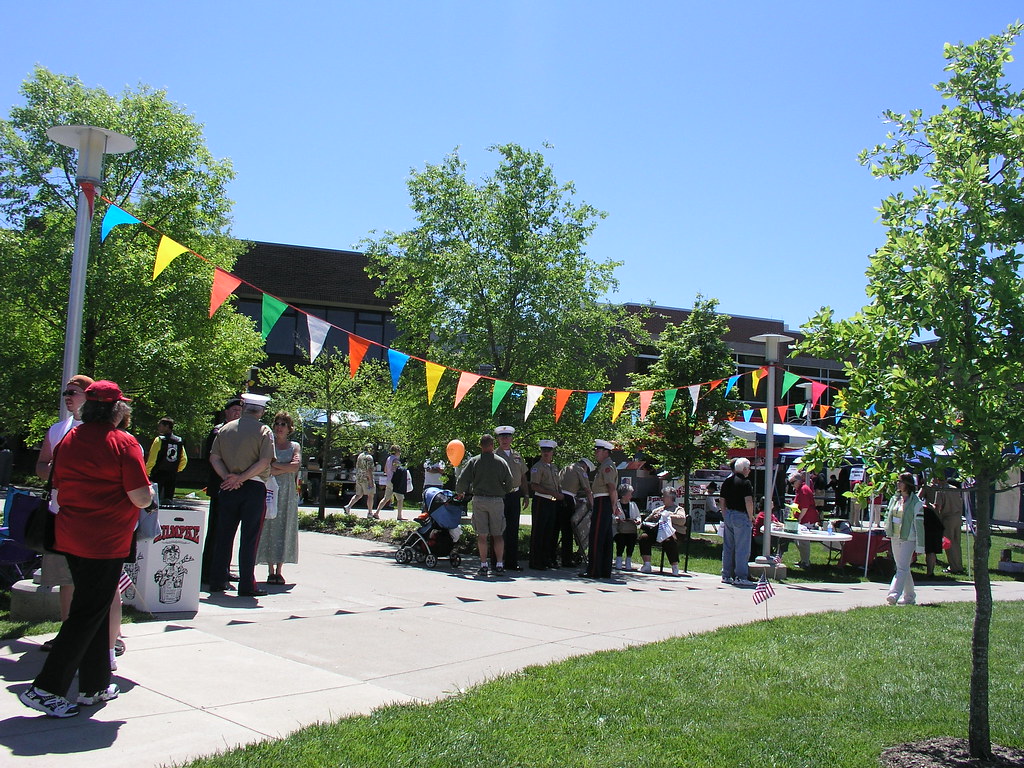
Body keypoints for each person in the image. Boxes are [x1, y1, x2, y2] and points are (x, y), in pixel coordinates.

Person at [19, 380, 154, 718]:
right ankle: (45, 688)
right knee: (86, 614)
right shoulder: (124, 443)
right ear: (116, 409)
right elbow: (140, 495)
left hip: (70, 536)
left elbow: (59, 481)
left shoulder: (68, 439)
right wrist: (150, 500)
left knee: (89, 609)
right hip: (105, 541)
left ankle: (94, 685)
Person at [208, 393, 275, 598]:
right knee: (250, 537)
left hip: (228, 486)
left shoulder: (225, 429)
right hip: (253, 486)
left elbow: (214, 457)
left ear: (244, 407)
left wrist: (229, 478)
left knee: (224, 535)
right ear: (261, 411)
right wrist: (242, 477)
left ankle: (218, 580)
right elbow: (264, 462)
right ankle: (247, 584)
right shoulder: (264, 430)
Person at [455, 434, 516, 578]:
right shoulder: (501, 462)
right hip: (496, 501)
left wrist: (460, 492)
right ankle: (499, 565)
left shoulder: (474, 461)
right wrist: (504, 490)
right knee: (498, 534)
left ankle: (483, 565)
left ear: (481, 446)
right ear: (492, 445)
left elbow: (462, 480)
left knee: (482, 535)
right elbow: (510, 483)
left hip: (479, 500)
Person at [201, 396, 242, 585]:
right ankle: (209, 570)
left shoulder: (241, 432)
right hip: (220, 486)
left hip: (234, 487)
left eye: (240, 411)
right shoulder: (218, 431)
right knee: (217, 530)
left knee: (229, 531)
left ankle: (224, 567)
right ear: (226, 412)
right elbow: (213, 458)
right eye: (234, 410)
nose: (237, 413)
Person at [257, 411, 301, 586]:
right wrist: (283, 467)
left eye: (283, 424)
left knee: (284, 525)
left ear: (289, 428)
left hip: (287, 493)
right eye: (277, 423)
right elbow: (265, 468)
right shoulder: (268, 443)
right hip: (269, 490)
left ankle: (279, 570)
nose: (279, 427)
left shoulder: (294, 446)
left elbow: (296, 466)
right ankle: (269, 570)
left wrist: (275, 465)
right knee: (268, 524)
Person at [884, 472, 925, 605]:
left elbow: (919, 526)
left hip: (909, 538)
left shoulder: (916, 503)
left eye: (900, 481)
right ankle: (909, 597)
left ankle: (893, 594)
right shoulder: (895, 499)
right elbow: (888, 514)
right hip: (895, 536)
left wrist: (920, 546)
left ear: (908, 484)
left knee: (901, 568)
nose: (898, 484)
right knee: (903, 567)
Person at [581, 439, 618, 579]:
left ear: (606, 452)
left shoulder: (607, 466)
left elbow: (611, 488)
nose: (596, 453)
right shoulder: (605, 465)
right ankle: (603, 570)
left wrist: (614, 506)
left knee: (596, 536)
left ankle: (594, 570)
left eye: (598, 451)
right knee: (605, 537)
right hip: (603, 501)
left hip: (603, 501)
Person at [494, 426, 530, 570]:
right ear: (498, 439)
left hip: (515, 495)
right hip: (500, 495)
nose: (505, 440)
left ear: (511, 439)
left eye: (507, 437)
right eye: (502, 437)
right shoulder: (494, 455)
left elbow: (522, 476)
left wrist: (526, 494)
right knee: (499, 529)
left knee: (513, 528)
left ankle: (511, 562)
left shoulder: (517, 455)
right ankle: (498, 561)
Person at [719, 457, 755, 586]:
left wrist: (725, 514)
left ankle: (726, 575)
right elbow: (748, 501)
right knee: (742, 548)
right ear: (744, 469)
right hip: (741, 515)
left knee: (728, 547)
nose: (749, 471)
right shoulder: (746, 483)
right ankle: (741, 576)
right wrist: (751, 517)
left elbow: (722, 500)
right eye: (749, 468)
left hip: (729, 514)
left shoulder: (727, 482)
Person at [637, 487, 686, 576]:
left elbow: (682, 520)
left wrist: (667, 515)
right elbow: (646, 521)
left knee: (669, 540)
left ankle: (675, 566)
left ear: (671, 498)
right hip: (657, 532)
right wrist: (653, 517)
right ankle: (647, 565)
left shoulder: (678, 509)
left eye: (664, 496)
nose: (662, 498)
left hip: (673, 533)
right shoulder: (658, 509)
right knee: (644, 537)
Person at [528, 439, 561, 570]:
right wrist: (553, 492)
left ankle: (546, 558)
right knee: (539, 531)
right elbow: (535, 486)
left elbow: (557, 483)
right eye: (544, 450)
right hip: (542, 500)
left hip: (552, 501)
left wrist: (558, 494)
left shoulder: (553, 467)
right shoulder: (537, 467)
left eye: (548, 451)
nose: (546, 453)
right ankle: (536, 561)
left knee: (549, 532)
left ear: (552, 452)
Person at [559, 457, 594, 568]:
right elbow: (587, 490)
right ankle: (566, 559)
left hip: (557, 497)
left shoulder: (565, 468)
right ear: (585, 467)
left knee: (555, 529)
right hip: (568, 499)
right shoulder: (580, 470)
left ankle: (550, 557)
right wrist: (593, 505)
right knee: (568, 531)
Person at [146, 417, 188, 504]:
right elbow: (184, 459)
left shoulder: (159, 440)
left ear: (167, 426)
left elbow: (152, 458)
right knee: (168, 499)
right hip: (172, 474)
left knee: (155, 500)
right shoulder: (179, 441)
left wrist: (147, 472)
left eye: (160, 426)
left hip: (158, 473)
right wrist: (177, 469)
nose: (159, 428)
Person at [932, 475, 965, 574]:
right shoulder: (954, 489)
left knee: (949, 544)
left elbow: (938, 506)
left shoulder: (940, 491)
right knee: (957, 543)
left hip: (947, 518)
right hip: (957, 517)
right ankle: (959, 565)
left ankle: (954, 567)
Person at [791, 472, 819, 568]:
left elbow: (805, 507)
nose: (792, 485)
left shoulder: (804, 490)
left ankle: (806, 562)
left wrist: (799, 519)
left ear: (798, 481)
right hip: (803, 519)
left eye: (792, 483)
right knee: (797, 540)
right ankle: (803, 560)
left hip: (807, 519)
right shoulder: (800, 489)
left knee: (803, 541)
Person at [919, 479, 944, 578]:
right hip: (940, 518)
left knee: (930, 548)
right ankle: (931, 571)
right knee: (932, 548)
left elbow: (918, 497)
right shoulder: (948, 488)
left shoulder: (928, 487)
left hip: (929, 517)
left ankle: (930, 571)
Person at [613, 484, 641, 571]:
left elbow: (638, 516)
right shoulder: (616, 504)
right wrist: (617, 519)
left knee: (631, 538)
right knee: (621, 539)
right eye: (630, 494)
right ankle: (619, 558)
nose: (631, 496)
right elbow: (612, 515)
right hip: (619, 529)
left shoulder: (633, 505)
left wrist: (638, 520)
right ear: (624, 495)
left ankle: (628, 559)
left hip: (630, 528)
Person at [345, 444, 376, 517]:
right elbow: (369, 470)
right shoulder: (369, 457)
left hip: (359, 478)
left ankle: (348, 506)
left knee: (358, 494)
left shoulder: (360, 456)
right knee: (370, 495)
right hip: (366, 479)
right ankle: (370, 512)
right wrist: (371, 481)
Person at [373, 445, 403, 517]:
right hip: (395, 481)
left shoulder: (389, 458)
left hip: (388, 480)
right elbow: (395, 470)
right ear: (397, 451)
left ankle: (376, 513)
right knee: (400, 498)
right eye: (399, 451)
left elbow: (385, 470)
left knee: (386, 498)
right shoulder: (396, 460)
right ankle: (399, 516)